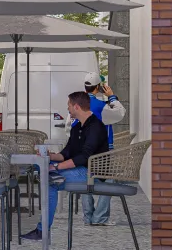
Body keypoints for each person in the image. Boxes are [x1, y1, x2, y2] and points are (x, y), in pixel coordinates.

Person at [21, 90, 109, 242]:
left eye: (68, 105)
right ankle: (42, 229)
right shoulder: (77, 127)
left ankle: (42, 231)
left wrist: (56, 167)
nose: (67, 108)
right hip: (79, 168)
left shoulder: (96, 126)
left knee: (50, 181)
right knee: (39, 166)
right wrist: (50, 157)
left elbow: (84, 157)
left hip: (91, 173)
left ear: (76, 106)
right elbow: (67, 153)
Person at [83, 78, 126, 226]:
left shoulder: (77, 104)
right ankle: (99, 217)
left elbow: (69, 127)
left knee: (85, 179)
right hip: (101, 150)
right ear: (97, 87)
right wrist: (111, 96)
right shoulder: (102, 106)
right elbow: (120, 113)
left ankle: (88, 217)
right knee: (107, 179)